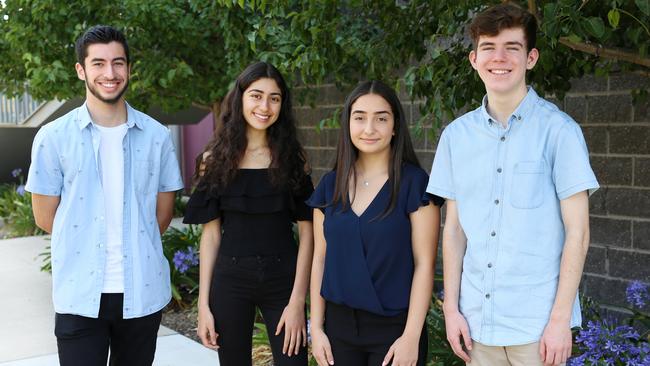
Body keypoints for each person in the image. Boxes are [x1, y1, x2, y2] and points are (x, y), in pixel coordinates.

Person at [426, 3, 600, 366]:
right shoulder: (456, 137)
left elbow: (578, 233)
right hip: (477, 325)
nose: (499, 58)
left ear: (531, 58)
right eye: (488, 48)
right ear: (474, 59)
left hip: (537, 330)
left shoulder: (560, 132)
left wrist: (558, 321)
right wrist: (452, 308)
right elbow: (455, 229)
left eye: (512, 47)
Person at [25, 25, 184, 365]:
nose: (109, 73)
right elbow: (44, 217)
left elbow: (163, 215)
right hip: (79, 295)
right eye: (98, 63)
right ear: (81, 70)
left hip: (141, 292)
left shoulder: (156, 136)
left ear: (128, 68)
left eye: (118, 63)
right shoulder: (53, 137)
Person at [183, 61, 313, 366]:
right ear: (240, 98)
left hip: (283, 280)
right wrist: (203, 305)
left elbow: (309, 235)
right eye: (256, 95)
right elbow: (211, 236)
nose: (265, 106)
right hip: (230, 281)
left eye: (274, 98)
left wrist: (297, 301)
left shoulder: (292, 159)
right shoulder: (213, 160)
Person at [308, 80, 443, 366]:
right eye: (360, 118)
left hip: (394, 331)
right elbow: (320, 259)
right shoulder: (329, 185)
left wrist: (410, 337)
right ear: (347, 124)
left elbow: (424, 265)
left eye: (381, 118)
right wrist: (317, 329)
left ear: (395, 126)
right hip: (338, 330)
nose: (369, 128)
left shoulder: (414, 184)